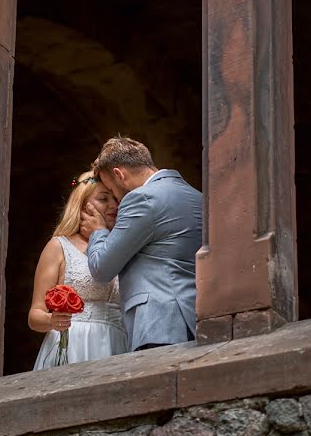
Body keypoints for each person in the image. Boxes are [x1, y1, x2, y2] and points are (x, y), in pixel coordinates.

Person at [81, 136, 202, 351]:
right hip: (195, 317)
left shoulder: (141, 198)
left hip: (159, 323)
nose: (117, 200)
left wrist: (98, 232)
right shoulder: (197, 196)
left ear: (119, 175)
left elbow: (102, 268)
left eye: (113, 190)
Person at [29, 170, 128, 370]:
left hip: (118, 345)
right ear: (82, 205)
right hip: (74, 344)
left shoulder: (124, 247)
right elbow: (34, 316)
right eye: (103, 199)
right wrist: (52, 320)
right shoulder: (59, 247)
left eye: (116, 199)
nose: (113, 205)